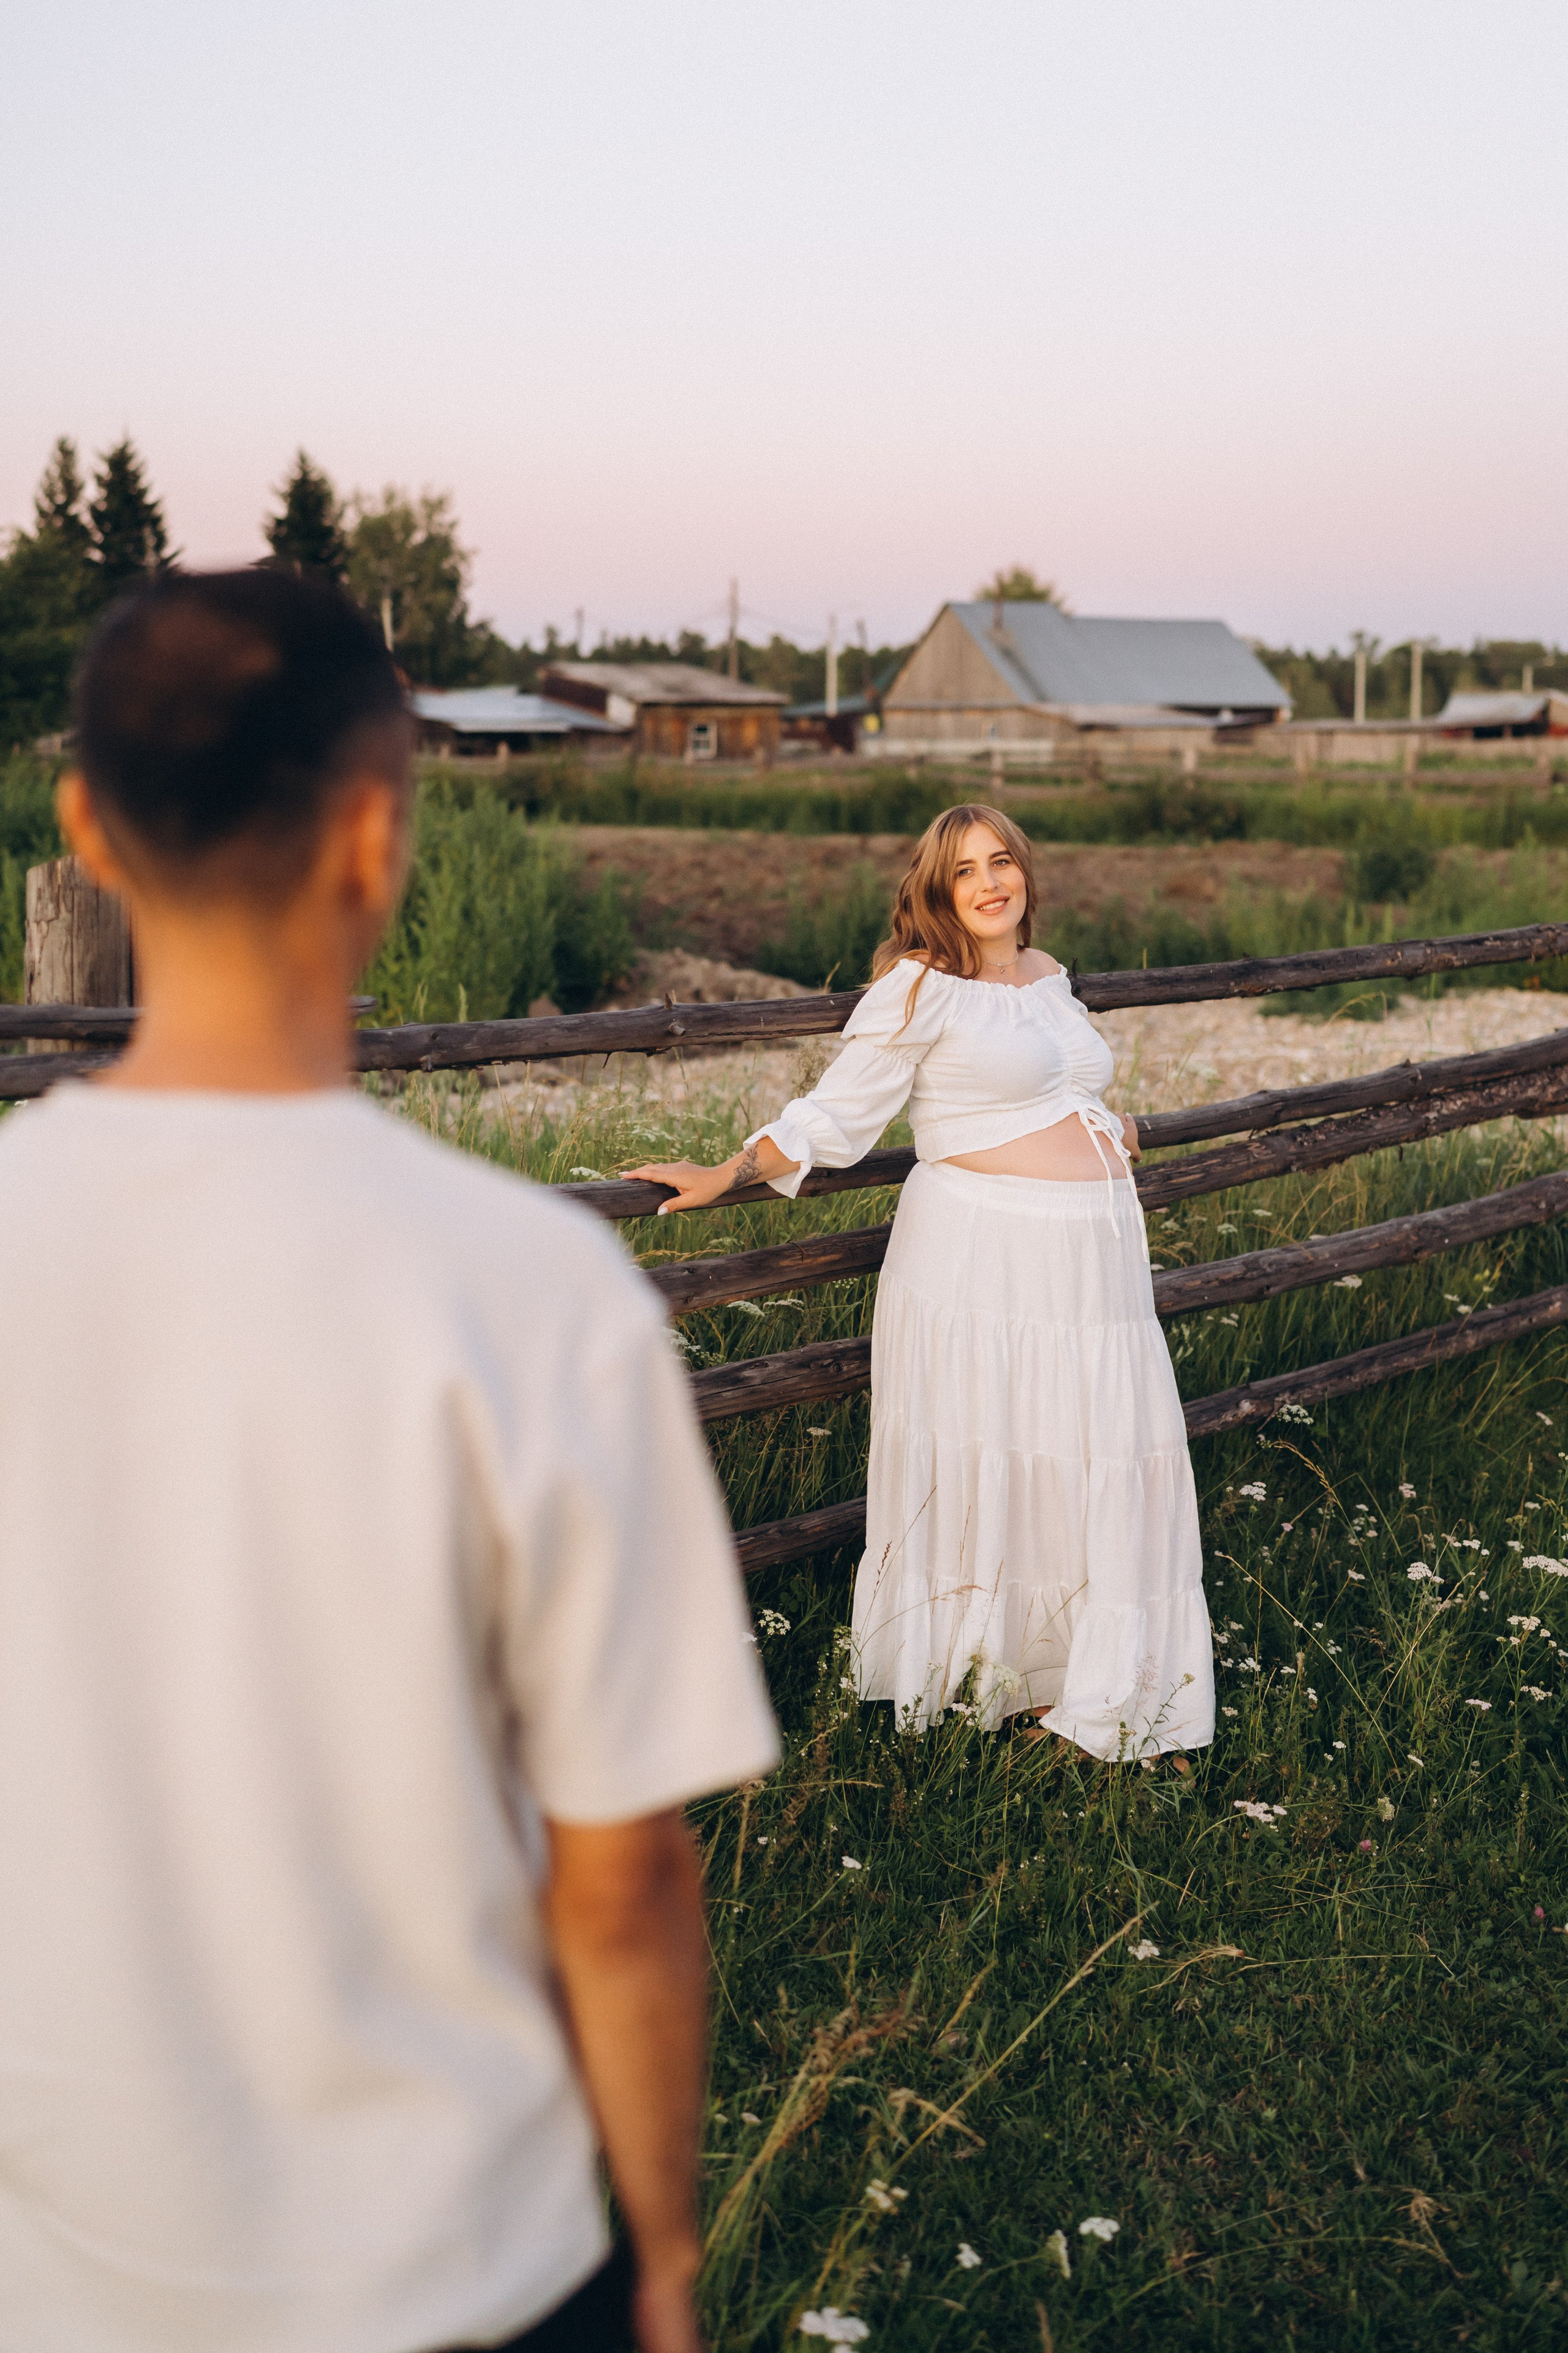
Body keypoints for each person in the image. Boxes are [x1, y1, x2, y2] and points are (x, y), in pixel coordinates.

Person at [0, 569, 778, 2353]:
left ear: (84, 832)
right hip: (458, 2270)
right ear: (375, 837)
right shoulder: (534, 1292)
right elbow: (622, 1880)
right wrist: (657, 2254)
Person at [629, 803, 1213, 1759]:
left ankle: (1081, 1675)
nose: (989, 883)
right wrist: (727, 1172)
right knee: (1005, 1446)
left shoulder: (1048, 977)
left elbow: (1054, 1085)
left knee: (1092, 1446)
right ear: (936, 893)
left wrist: (1109, 1124)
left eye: (1002, 862)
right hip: (986, 1255)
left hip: (1092, 1260)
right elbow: (837, 1110)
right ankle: (994, 1668)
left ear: (1024, 872)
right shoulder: (921, 987)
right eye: (963, 872)